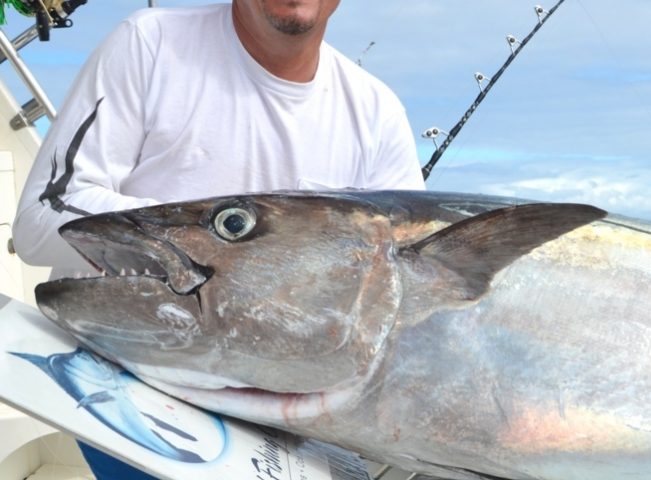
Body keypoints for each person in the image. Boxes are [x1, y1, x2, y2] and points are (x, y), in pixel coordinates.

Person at [12, 1, 424, 477]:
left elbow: (405, 318)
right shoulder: (151, 42)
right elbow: (40, 221)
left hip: (284, 420)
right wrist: (216, 252)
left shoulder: (377, 114)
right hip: (133, 385)